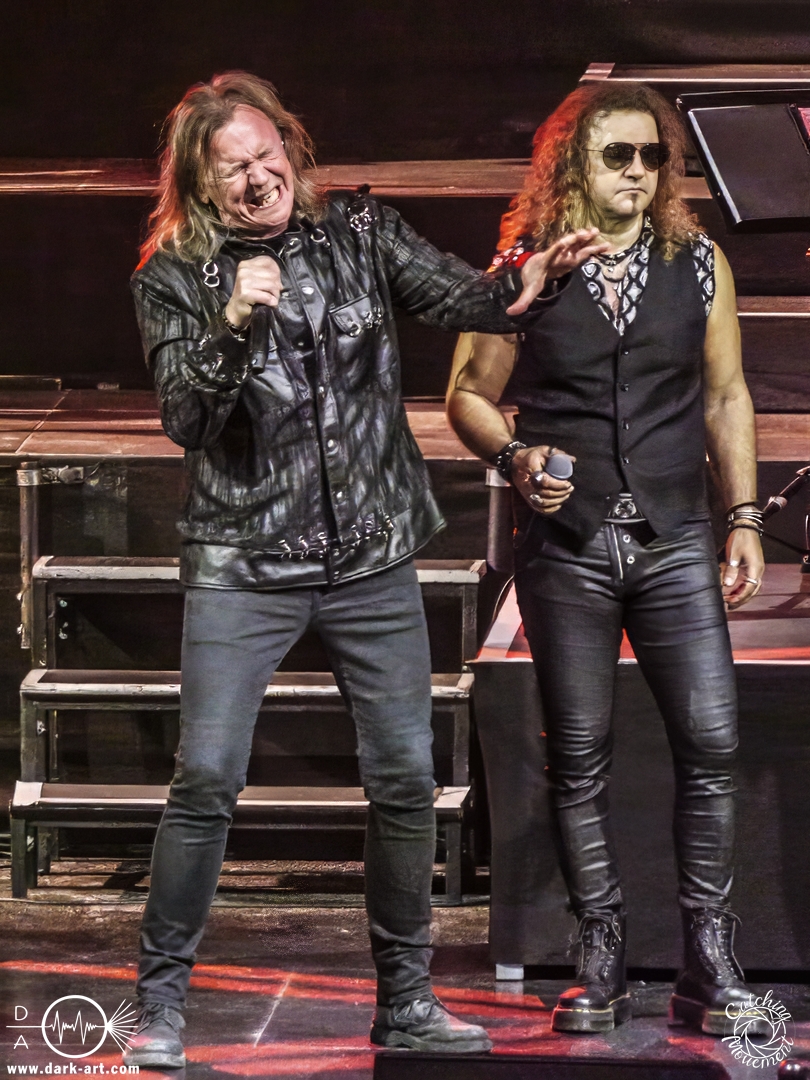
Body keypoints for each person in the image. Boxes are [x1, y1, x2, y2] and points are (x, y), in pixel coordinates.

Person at [123, 71, 604, 1068]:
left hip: (370, 558)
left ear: (292, 151)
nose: (257, 180)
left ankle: (407, 1000)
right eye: (232, 170)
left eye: (266, 157)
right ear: (201, 187)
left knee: (404, 779)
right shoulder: (175, 275)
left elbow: (466, 297)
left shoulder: (359, 231)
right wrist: (231, 322)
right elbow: (187, 420)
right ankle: (157, 1007)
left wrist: (535, 275)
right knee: (205, 778)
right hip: (245, 562)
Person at [447, 81, 765, 1037]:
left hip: (674, 539)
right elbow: (467, 393)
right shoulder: (524, 268)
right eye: (616, 154)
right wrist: (516, 457)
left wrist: (744, 518)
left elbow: (726, 396)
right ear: (571, 165)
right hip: (568, 547)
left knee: (712, 744)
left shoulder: (697, 262)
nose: (638, 171)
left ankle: (710, 959)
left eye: (652, 155)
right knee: (578, 757)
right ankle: (601, 953)